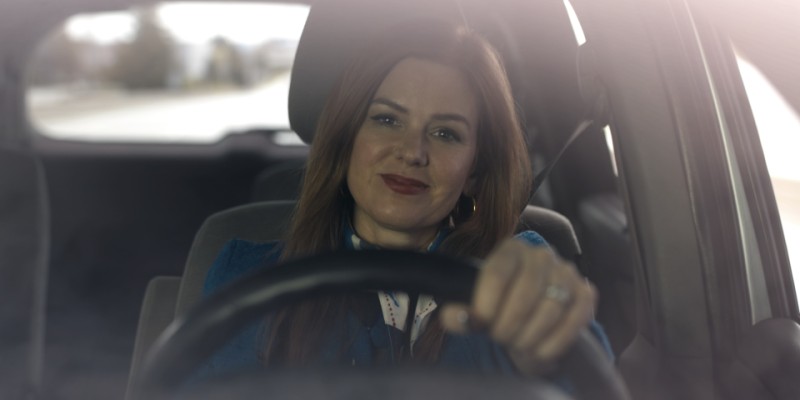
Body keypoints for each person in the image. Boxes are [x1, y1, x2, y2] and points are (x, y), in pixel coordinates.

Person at [201, 21, 610, 382]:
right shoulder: (245, 279)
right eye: (387, 120)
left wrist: (545, 355)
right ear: (346, 139)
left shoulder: (514, 280)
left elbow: (582, 374)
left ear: (474, 170)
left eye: (446, 133)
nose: (412, 151)